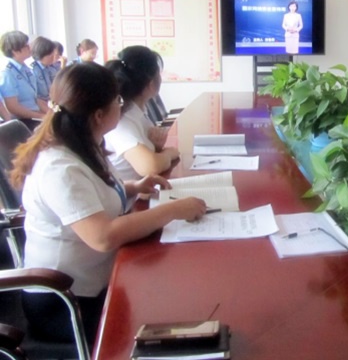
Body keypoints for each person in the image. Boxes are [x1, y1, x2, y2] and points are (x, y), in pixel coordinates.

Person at [10, 62, 207, 346]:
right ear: (99, 115)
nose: (121, 106)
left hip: (98, 280)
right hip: (66, 301)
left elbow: (93, 196)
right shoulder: (60, 167)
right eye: (118, 101)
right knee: (168, 309)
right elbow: (102, 236)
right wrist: (173, 210)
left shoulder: (84, 144)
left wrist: (132, 188)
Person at [104, 46, 180, 180]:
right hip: (129, 192)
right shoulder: (122, 120)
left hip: (143, 186)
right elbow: (149, 166)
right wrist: (169, 154)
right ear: (151, 83)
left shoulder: (137, 111)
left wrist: (156, 147)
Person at [0, 30, 45, 127]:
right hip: (23, 120)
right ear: (15, 51)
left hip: (35, 115)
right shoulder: (7, 72)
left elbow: (34, 98)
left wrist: (49, 114)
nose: (30, 48)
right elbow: (13, 107)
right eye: (26, 46)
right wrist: (41, 116)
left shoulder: (25, 68)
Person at [30, 36, 56, 111]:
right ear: (41, 54)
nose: (53, 56)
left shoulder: (51, 69)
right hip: (39, 108)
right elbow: (35, 98)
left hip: (52, 104)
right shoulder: (32, 70)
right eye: (49, 54)